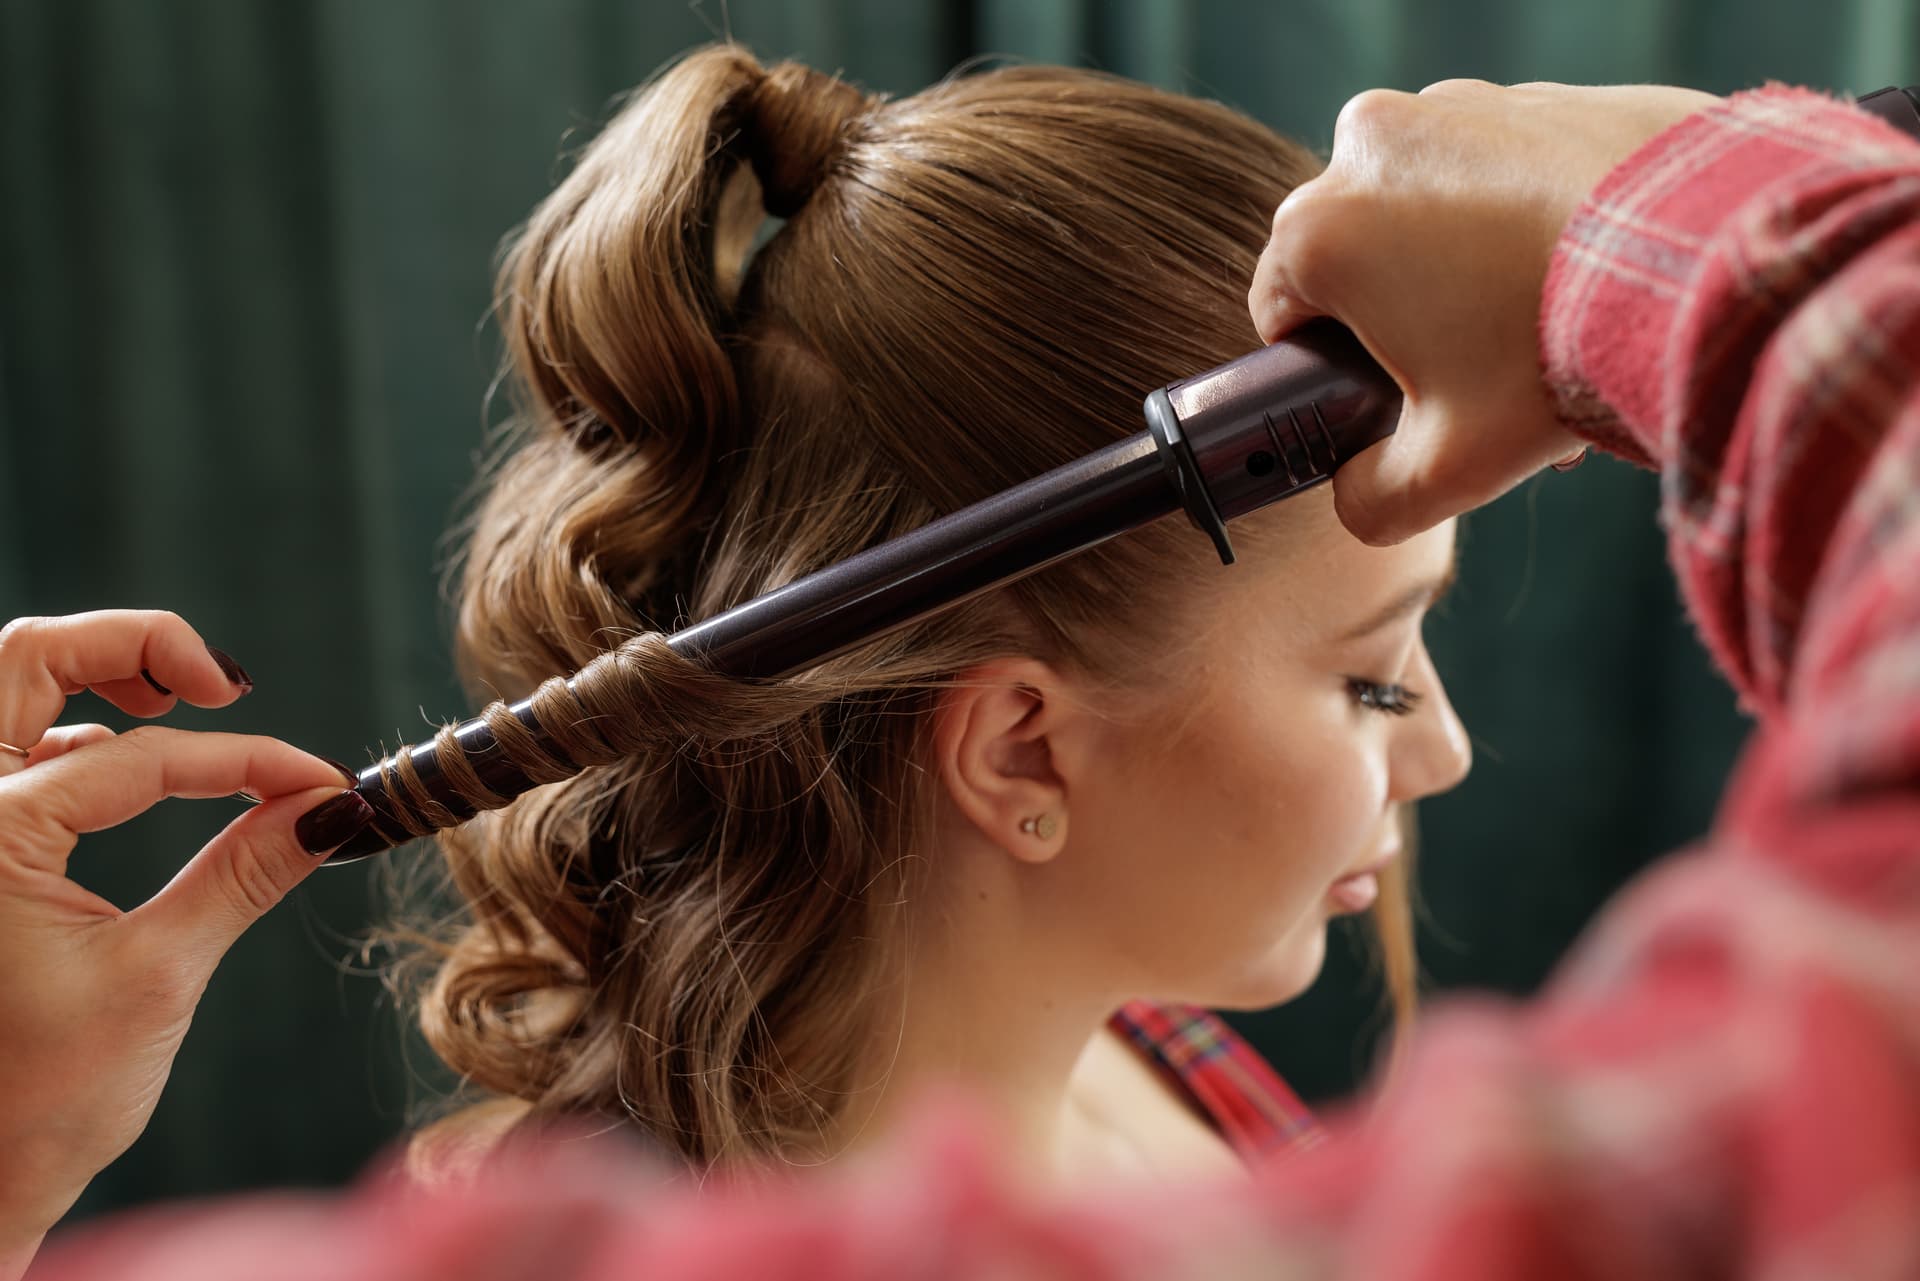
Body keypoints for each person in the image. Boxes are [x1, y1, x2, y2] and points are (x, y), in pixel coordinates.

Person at [10, 64, 1920, 1281]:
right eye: (1367, 678)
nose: (1446, 755)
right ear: (1019, 752)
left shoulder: (1142, 1053)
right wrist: (1676, 219)